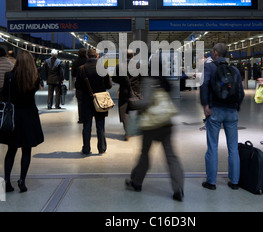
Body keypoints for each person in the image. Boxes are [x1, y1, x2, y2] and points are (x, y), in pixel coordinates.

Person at [125, 53, 184, 202]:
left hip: (151, 125)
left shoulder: (149, 79)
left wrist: (132, 103)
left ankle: (136, 182)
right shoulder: (164, 81)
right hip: (166, 123)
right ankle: (178, 189)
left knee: (144, 154)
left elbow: (146, 102)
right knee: (171, 157)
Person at [200, 43, 244, 190]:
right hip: (232, 112)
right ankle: (235, 181)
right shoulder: (235, 70)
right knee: (233, 148)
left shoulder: (210, 67)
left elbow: (204, 85)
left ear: (215, 53)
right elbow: (240, 92)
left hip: (215, 110)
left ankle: (211, 182)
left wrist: (205, 105)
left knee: (212, 146)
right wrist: (236, 107)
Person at [0, 51, 44, 193]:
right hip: (29, 115)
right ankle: (22, 181)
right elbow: (34, 91)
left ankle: (6, 181)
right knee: (26, 149)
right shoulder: (34, 77)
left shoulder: (9, 76)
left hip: (13, 116)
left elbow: (4, 95)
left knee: (11, 150)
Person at [75, 48, 112, 155]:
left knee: (87, 126)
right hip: (101, 101)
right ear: (97, 56)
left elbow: (78, 86)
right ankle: (101, 148)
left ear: (87, 56)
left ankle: (86, 149)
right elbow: (109, 85)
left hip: (87, 101)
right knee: (100, 125)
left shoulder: (81, 69)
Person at [112, 49, 142, 140]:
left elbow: (114, 79)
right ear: (133, 56)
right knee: (138, 110)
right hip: (136, 92)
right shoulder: (138, 65)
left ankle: (127, 132)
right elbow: (142, 78)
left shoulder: (118, 66)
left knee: (124, 112)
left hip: (124, 92)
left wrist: (122, 82)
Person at [72, 48, 87, 123]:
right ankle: (87, 117)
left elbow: (73, 74)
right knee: (88, 102)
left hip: (79, 85)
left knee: (80, 102)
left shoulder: (75, 62)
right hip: (88, 85)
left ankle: (81, 118)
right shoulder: (88, 61)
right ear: (85, 54)